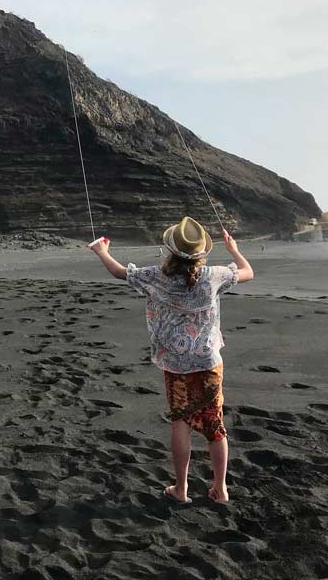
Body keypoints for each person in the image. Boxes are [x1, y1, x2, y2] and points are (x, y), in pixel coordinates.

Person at [89, 216, 254, 504]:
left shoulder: (158, 276)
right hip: (207, 360)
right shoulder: (213, 275)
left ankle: (181, 489)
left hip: (175, 360)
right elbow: (248, 272)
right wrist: (234, 249)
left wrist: (102, 251)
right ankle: (221, 489)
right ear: (200, 253)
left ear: (171, 251)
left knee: (181, 421)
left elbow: (120, 273)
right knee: (214, 424)